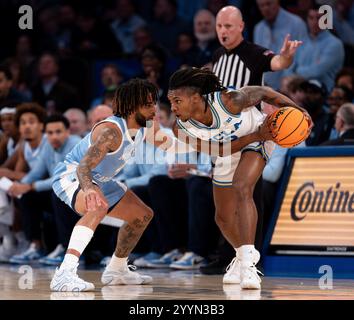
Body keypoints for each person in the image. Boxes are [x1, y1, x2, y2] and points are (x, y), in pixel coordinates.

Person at [50, 77, 274, 292]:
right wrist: (89, 189)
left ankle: (116, 270)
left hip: (101, 180)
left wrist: (245, 137)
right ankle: (65, 273)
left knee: (141, 215)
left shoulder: (147, 129)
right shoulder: (110, 131)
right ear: (132, 106)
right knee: (97, 206)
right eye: (148, 104)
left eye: (154, 103)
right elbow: (83, 167)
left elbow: (183, 148)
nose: (154, 109)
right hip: (73, 177)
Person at [167, 67, 312, 289]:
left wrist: (299, 109)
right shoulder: (181, 129)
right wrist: (254, 136)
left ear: (196, 97)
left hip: (261, 135)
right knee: (222, 218)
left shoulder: (229, 101)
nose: (173, 107)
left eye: (177, 101)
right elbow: (220, 150)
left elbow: (265, 92)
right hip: (228, 149)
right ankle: (241, 255)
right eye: (170, 101)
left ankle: (249, 266)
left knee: (242, 186)